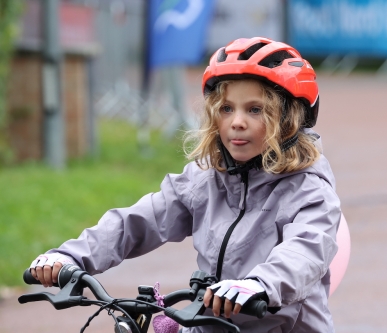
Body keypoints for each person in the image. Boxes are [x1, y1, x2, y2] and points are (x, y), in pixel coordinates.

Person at [30, 37, 342, 333]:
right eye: (226, 108)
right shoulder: (205, 180)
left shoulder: (309, 192)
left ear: (288, 119)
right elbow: (138, 221)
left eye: (255, 109)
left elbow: (304, 252)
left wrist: (258, 284)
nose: (237, 121)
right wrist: (71, 257)